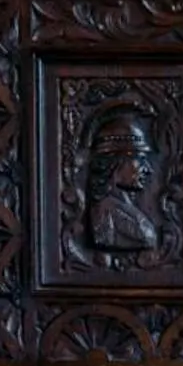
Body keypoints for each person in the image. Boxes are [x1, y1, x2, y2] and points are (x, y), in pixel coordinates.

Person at [73, 110, 161, 266]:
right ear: (115, 163)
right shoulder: (106, 213)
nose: (147, 168)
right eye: (139, 159)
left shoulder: (123, 208)